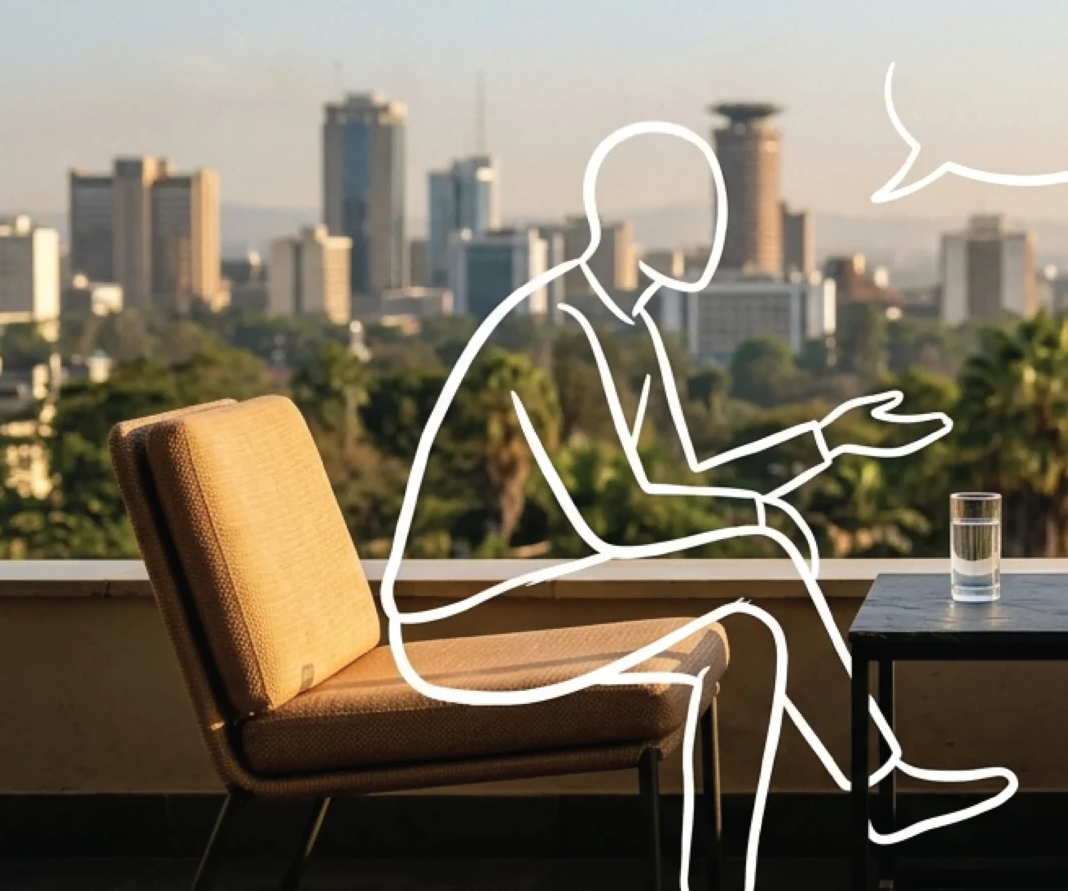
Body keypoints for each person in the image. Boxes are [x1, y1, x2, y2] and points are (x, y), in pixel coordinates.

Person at [381, 120, 1017, 891]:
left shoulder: (633, 319)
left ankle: (877, 785)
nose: (714, 242)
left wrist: (832, 439)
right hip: (436, 626)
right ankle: (870, 794)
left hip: (541, 558)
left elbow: (693, 469)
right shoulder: (563, 320)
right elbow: (622, 510)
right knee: (761, 601)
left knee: (773, 549)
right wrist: (788, 485)